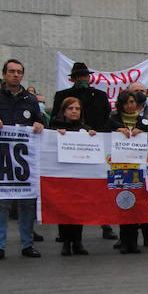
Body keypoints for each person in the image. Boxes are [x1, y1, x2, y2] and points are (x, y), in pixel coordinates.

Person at [0, 59, 44, 259]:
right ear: (4, 74)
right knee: (1, 204)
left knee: (27, 204)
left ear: (22, 75)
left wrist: (38, 125)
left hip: (24, 161)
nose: (15, 75)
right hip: (0, 160)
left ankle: (27, 244)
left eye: (19, 72)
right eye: (11, 71)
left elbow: (39, 122)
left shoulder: (30, 100)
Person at [48, 96, 100, 255]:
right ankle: (65, 242)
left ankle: (78, 241)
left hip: (79, 176)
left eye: (77, 109)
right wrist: (56, 135)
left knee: (78, 209)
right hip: (62, 176)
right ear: (63, 111)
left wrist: (93, 136)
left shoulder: (85, 128)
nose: (74, 111)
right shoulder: (54, 127)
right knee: (64, 209)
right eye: (71, 108)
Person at [106, 90, 148, 254]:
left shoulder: (144, 121)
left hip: (140, 169)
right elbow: (103, 135)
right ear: (121, 104)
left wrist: (143, 132)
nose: (130, 105)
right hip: (120, 168)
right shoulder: (113, 120)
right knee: (124, 204)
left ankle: (134, 242)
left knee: (137, 204)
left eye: (132, 102)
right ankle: (125, 241)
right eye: (126, 102)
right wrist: (117, 131)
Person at [51, 61, 112, 133]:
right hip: (69, 134)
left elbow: (106, 117)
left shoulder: (100, 95)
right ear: (72, 79)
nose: (82, 78)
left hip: (96, 135)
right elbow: (55, 117)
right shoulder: (62, 95)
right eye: (79, 76)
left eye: (85, 76)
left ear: (89, 78)